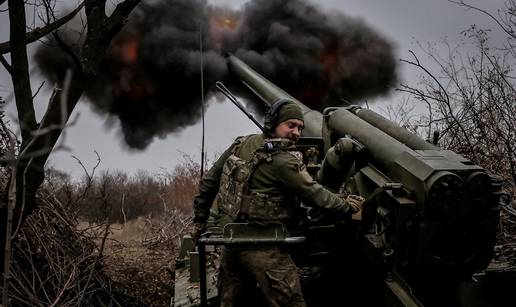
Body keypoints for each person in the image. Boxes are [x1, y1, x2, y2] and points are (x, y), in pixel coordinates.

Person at [192, 100, 365, 307]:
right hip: (265, 246)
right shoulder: (284, 161)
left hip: (231, 242)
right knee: (290, 301)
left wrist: (200, 220)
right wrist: (347, 206)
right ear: (273, 123)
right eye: (290, 125)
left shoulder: (241, 144)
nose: (296, 133)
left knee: (231, 301)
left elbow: (210, 181)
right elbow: (316, 195)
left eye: (300, 127)